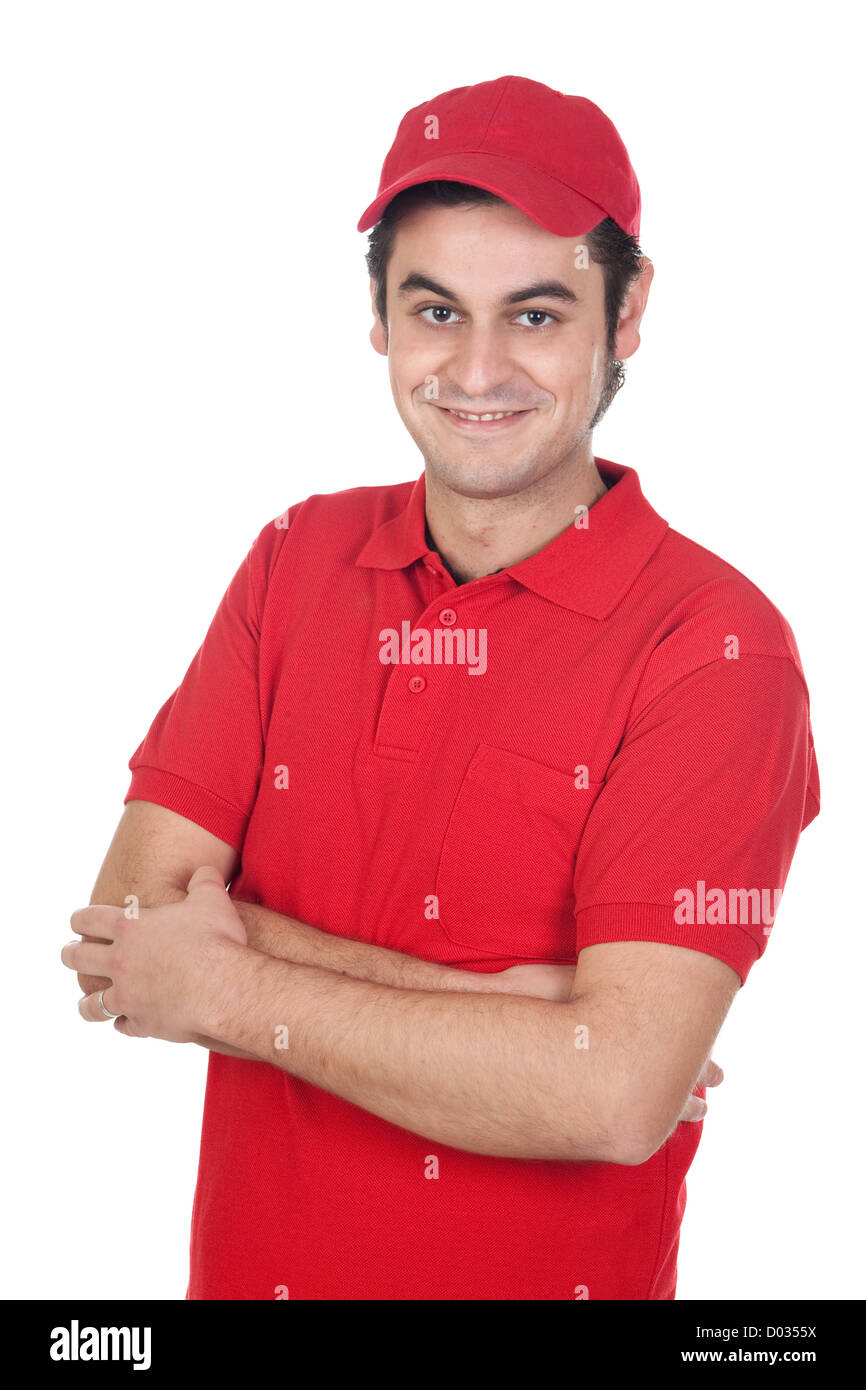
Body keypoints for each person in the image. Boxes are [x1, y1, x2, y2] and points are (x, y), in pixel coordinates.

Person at [64, 75, 820, 1300]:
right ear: (378, 319)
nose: (475, 369)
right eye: (434, 310)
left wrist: (224, 976)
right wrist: (511, 1012)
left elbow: (615, 1096)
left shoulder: (715, 651)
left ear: (624, 313)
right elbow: (124, 941)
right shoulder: (294, 559)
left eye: (534, 314)